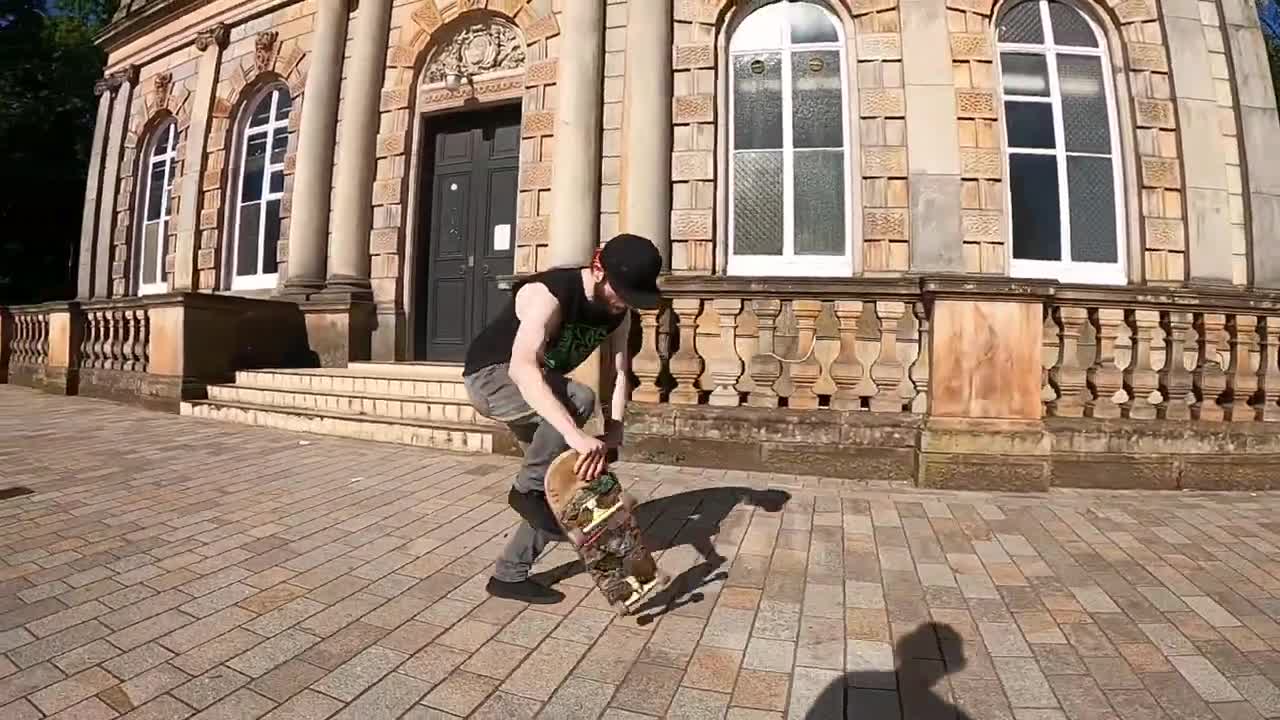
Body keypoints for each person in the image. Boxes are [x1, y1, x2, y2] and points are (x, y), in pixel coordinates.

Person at [461, 233, 663, 604]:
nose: (623, 305)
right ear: (598, 269)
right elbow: (523, 368)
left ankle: (508, 575)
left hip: (541, 392)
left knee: (567, 483)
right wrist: (575, 434)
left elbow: (620, 374)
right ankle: (526, 489)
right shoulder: (548, 293)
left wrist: (615, 427)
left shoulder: (619, 313)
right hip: (492, 379)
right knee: (578, 400)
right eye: (620, 293)